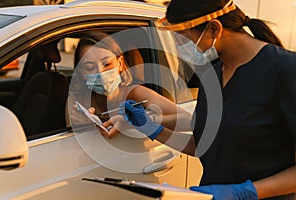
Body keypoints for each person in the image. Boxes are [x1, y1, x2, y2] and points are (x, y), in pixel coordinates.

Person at [120, 0, 296, 199]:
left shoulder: (285, 70)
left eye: (181, 40)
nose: (177, 48)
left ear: (214, 29)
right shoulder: (212, 74)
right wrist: (153, 129)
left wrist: (247, 192)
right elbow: (206, 145)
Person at [66, 32, 191, 138]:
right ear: (81, 72)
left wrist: (141, 122)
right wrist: (78, 126)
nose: (100, 73)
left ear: (120, 63)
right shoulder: (77, 101)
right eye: (90, 67)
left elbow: (187, 119)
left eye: (107, 64)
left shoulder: (136, 94)